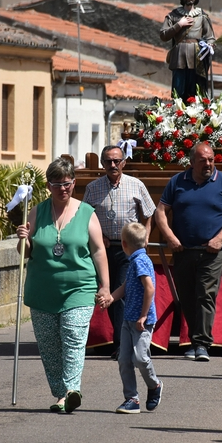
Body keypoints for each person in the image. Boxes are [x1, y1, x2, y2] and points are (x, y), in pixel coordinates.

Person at [16, 157, 111, 413]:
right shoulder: (37, 211)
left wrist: (105, 286)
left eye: (67, 183)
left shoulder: (87, 213)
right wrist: (23, 239)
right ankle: (60, 393)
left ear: (74, 183)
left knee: (73, 337)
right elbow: (25, 253)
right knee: (49, 347)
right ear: (48, 186)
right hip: (42, 290)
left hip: (79, 288)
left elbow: (99, 251)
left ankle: (71, 390)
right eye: (56, 184)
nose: (62, 189)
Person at [155, 142, 222, 362]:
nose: (208, 164)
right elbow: (161, 211)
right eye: (203, 160)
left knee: (205, 294)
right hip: (183, 250)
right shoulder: (177, 182)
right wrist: (171, 238)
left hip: (211, 253)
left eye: (211, 159)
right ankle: (195, 341)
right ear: (192, 162)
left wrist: (219, 239)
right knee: (187, 297)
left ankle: (202, 343)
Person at [83, 145, 155, 359]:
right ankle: (111, 342)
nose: (112, 165)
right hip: (103, 249)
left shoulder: (136, 184)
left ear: (124, 162)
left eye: (116, 161)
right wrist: (97, 235)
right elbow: (85, 216)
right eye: (108, 161)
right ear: (102, 164)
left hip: (129, 250)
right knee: (104, 294)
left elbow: (150, 212)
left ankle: (123, 345)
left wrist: (145, 235)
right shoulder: (93, 187)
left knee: (122, 295)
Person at [106, 222, 163, 414]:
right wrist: (112, 298)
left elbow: (150, 288)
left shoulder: (139, 261)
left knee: (139, 357)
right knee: (124, 360)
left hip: (141, 321)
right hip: (128, 320)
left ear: (123, 244)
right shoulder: (134, 261)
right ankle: (131, 398)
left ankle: (154, 385)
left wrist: (144, 315)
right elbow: (126, 287)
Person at [160, 0, 214, 100]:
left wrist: (210, 44)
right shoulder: (173, 15)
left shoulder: (202, 16)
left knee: (196, 91)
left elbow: (210, 36)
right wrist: (179, 24)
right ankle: (178, 113)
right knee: (178, 91)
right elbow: (163, 35)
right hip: (179, 56)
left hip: (198, 57)